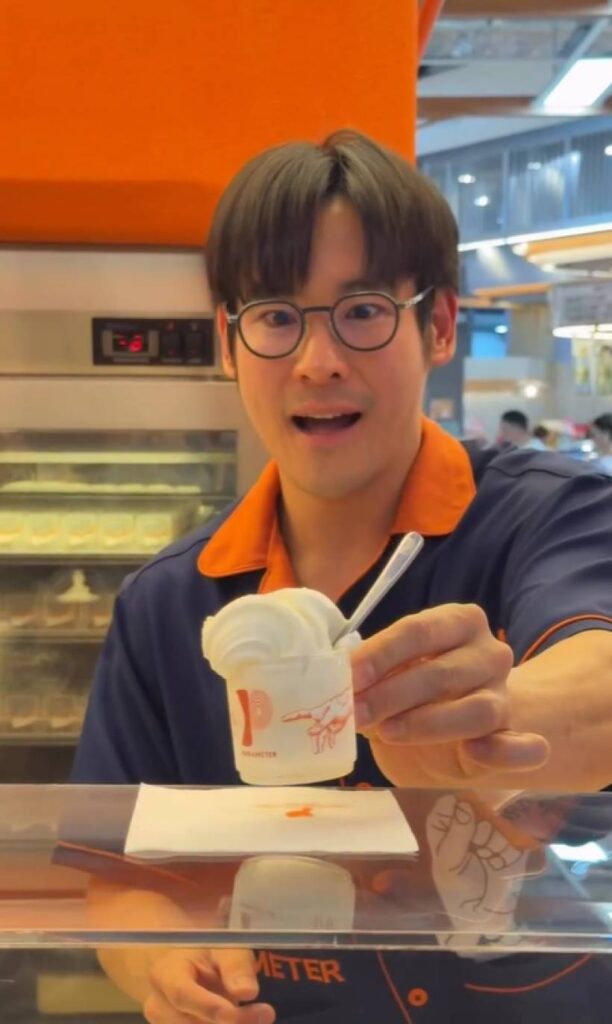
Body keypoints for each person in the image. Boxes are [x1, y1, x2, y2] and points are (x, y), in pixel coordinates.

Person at [71, 130, 612, 1022]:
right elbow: (120, 877)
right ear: (230, 343)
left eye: (362, 311)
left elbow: (597, 678)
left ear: (440, 325)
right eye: (276, 317)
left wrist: (493, 719)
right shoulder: (169, 603)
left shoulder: (550, 515)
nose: (317, 361)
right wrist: (165, 967)